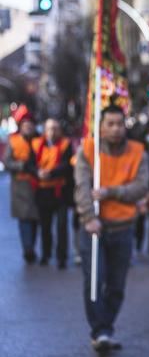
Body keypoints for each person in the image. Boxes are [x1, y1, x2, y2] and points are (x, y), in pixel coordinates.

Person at [74, 105, 149, 351]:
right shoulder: (88, 150)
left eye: (119, 123)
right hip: (94, 228)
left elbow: (140, 188)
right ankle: (100, 330)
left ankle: (105, 327)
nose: (116, 129)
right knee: (94, 281)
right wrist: (88, 217)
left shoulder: (138, 151)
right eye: (110, 124)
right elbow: (82, 187)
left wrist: (110, 192)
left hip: (123, 228)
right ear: (101, 126)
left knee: (116, 285)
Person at [32, 118, 73, 268]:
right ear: (44, 130)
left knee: (62, 225)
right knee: (45, 225)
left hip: (59, 190)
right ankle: (46, 253)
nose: (52, 132)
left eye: (55, 128)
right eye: (49, 128)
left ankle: (61, 257)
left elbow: (67, 165)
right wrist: (38, 172)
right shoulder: (37, 144)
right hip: (43, 191)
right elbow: (31, 163)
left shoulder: (65, 145)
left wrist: (51, 173)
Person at [3, 106, 39, 263]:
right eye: (26, 126)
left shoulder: (39, 141)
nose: (28, 128)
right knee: (24, 219)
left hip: (37, 186)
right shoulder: (14, 141)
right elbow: (7, 161)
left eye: (30, 126)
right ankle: (28, 248)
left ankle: (31, 245)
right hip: (20, 186)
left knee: (34, 219)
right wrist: (21, 166)